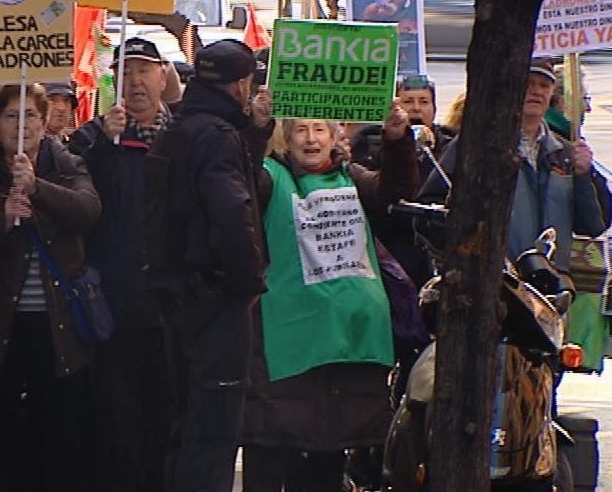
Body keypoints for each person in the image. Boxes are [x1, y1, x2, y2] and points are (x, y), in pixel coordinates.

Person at [242, 106, 418, 492]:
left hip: (345, 340)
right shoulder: (271, 176)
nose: (310, 139)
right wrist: (257, 127)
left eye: (319, 129)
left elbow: (396, 190)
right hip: (289, 338)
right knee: (270, 449)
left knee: (328, 449)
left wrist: (397, 140)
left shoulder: (350, 178)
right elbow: (244, 181)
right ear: (286, 138)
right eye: (300, 129)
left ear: (334, 135)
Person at [0, 83, 102, 492]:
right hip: (0, 325)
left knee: (57, 436)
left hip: (58, 328)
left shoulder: (66, 164)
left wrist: (38, 189)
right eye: (12, 116)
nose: (23, 125)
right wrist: (2, 220)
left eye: (30, 115)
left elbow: (88, 211)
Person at [145, 39, 273, 492]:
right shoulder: (216, 137)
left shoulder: (178, 129)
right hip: (214, 298)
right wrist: (248, 283)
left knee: (187, 428)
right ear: (241, 85)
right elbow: (232, 211)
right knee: (213, 434)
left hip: (177, 296)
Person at [69, 36, 176, 492]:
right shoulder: (93, 138)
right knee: (115, 416)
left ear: (163, 75)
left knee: (164, 415)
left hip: (169, 303)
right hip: (111, 303)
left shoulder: (184, 136)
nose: (136, 81)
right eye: (126, 72)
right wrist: (104, 146)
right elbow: (82, 204)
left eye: (144, 70)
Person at [420, 57, 610, 272]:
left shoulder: (565, 153)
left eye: (544, 85)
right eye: (527, 84)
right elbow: (431, 209)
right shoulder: (475, 145)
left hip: (550, 287)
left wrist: (584, 176)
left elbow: (593, 227)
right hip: (491, 285)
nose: (536, 91)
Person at [351, 74, 455, 286]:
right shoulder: (369, 145)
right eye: (408, 101)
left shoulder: (452, 147)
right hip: (391, 251)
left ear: (434, 109)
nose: (416, 109)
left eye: (424, 102)